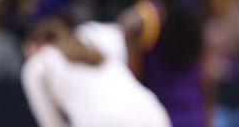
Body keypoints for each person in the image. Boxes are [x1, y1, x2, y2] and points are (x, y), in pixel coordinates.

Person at [20, 13, 172, 127]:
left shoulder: (36, 64)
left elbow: (52, 123)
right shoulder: (95, 38)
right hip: (152, 112)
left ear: (37, 44)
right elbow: (122, 31)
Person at [118, 0, 207, 127]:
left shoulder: (145, 14)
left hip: (157, 116)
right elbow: (206, 75)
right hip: (193, 113)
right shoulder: (192, 11)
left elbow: (132, 78)